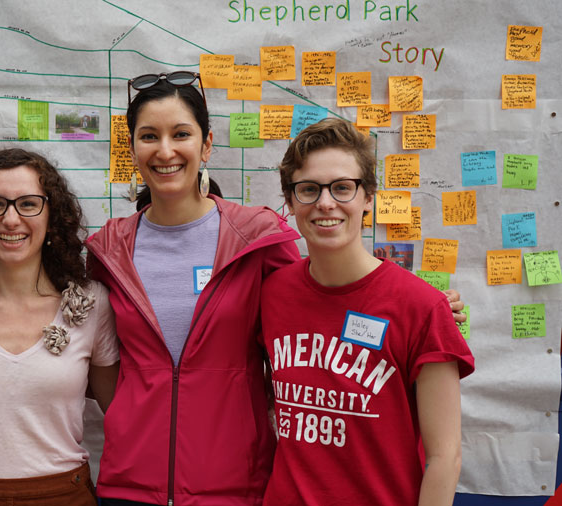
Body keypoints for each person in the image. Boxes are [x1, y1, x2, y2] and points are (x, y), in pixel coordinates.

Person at [86, 72, 468, 506]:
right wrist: (128, 416)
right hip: (130, 484)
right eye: (149, 136)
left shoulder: (257, 239)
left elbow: (332, 290)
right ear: (131, 147)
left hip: (233, 487)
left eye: (181, 134)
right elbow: (99, 350)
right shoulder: (107, 249)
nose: (166, 150)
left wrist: (423, 306)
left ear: (206, 144)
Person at [259, 117, 474, 506]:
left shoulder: (422, 308)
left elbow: (446, 458)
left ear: (368, 197)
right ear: (289, 202)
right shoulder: (271, 293)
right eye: (308, 189)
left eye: (343, 188)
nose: (325, 203)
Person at [0, 148, 119, 506]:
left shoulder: (92, 304)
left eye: (29, 204)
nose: (11, 219)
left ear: (52, 215)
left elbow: (122, 417)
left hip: (62, 496)